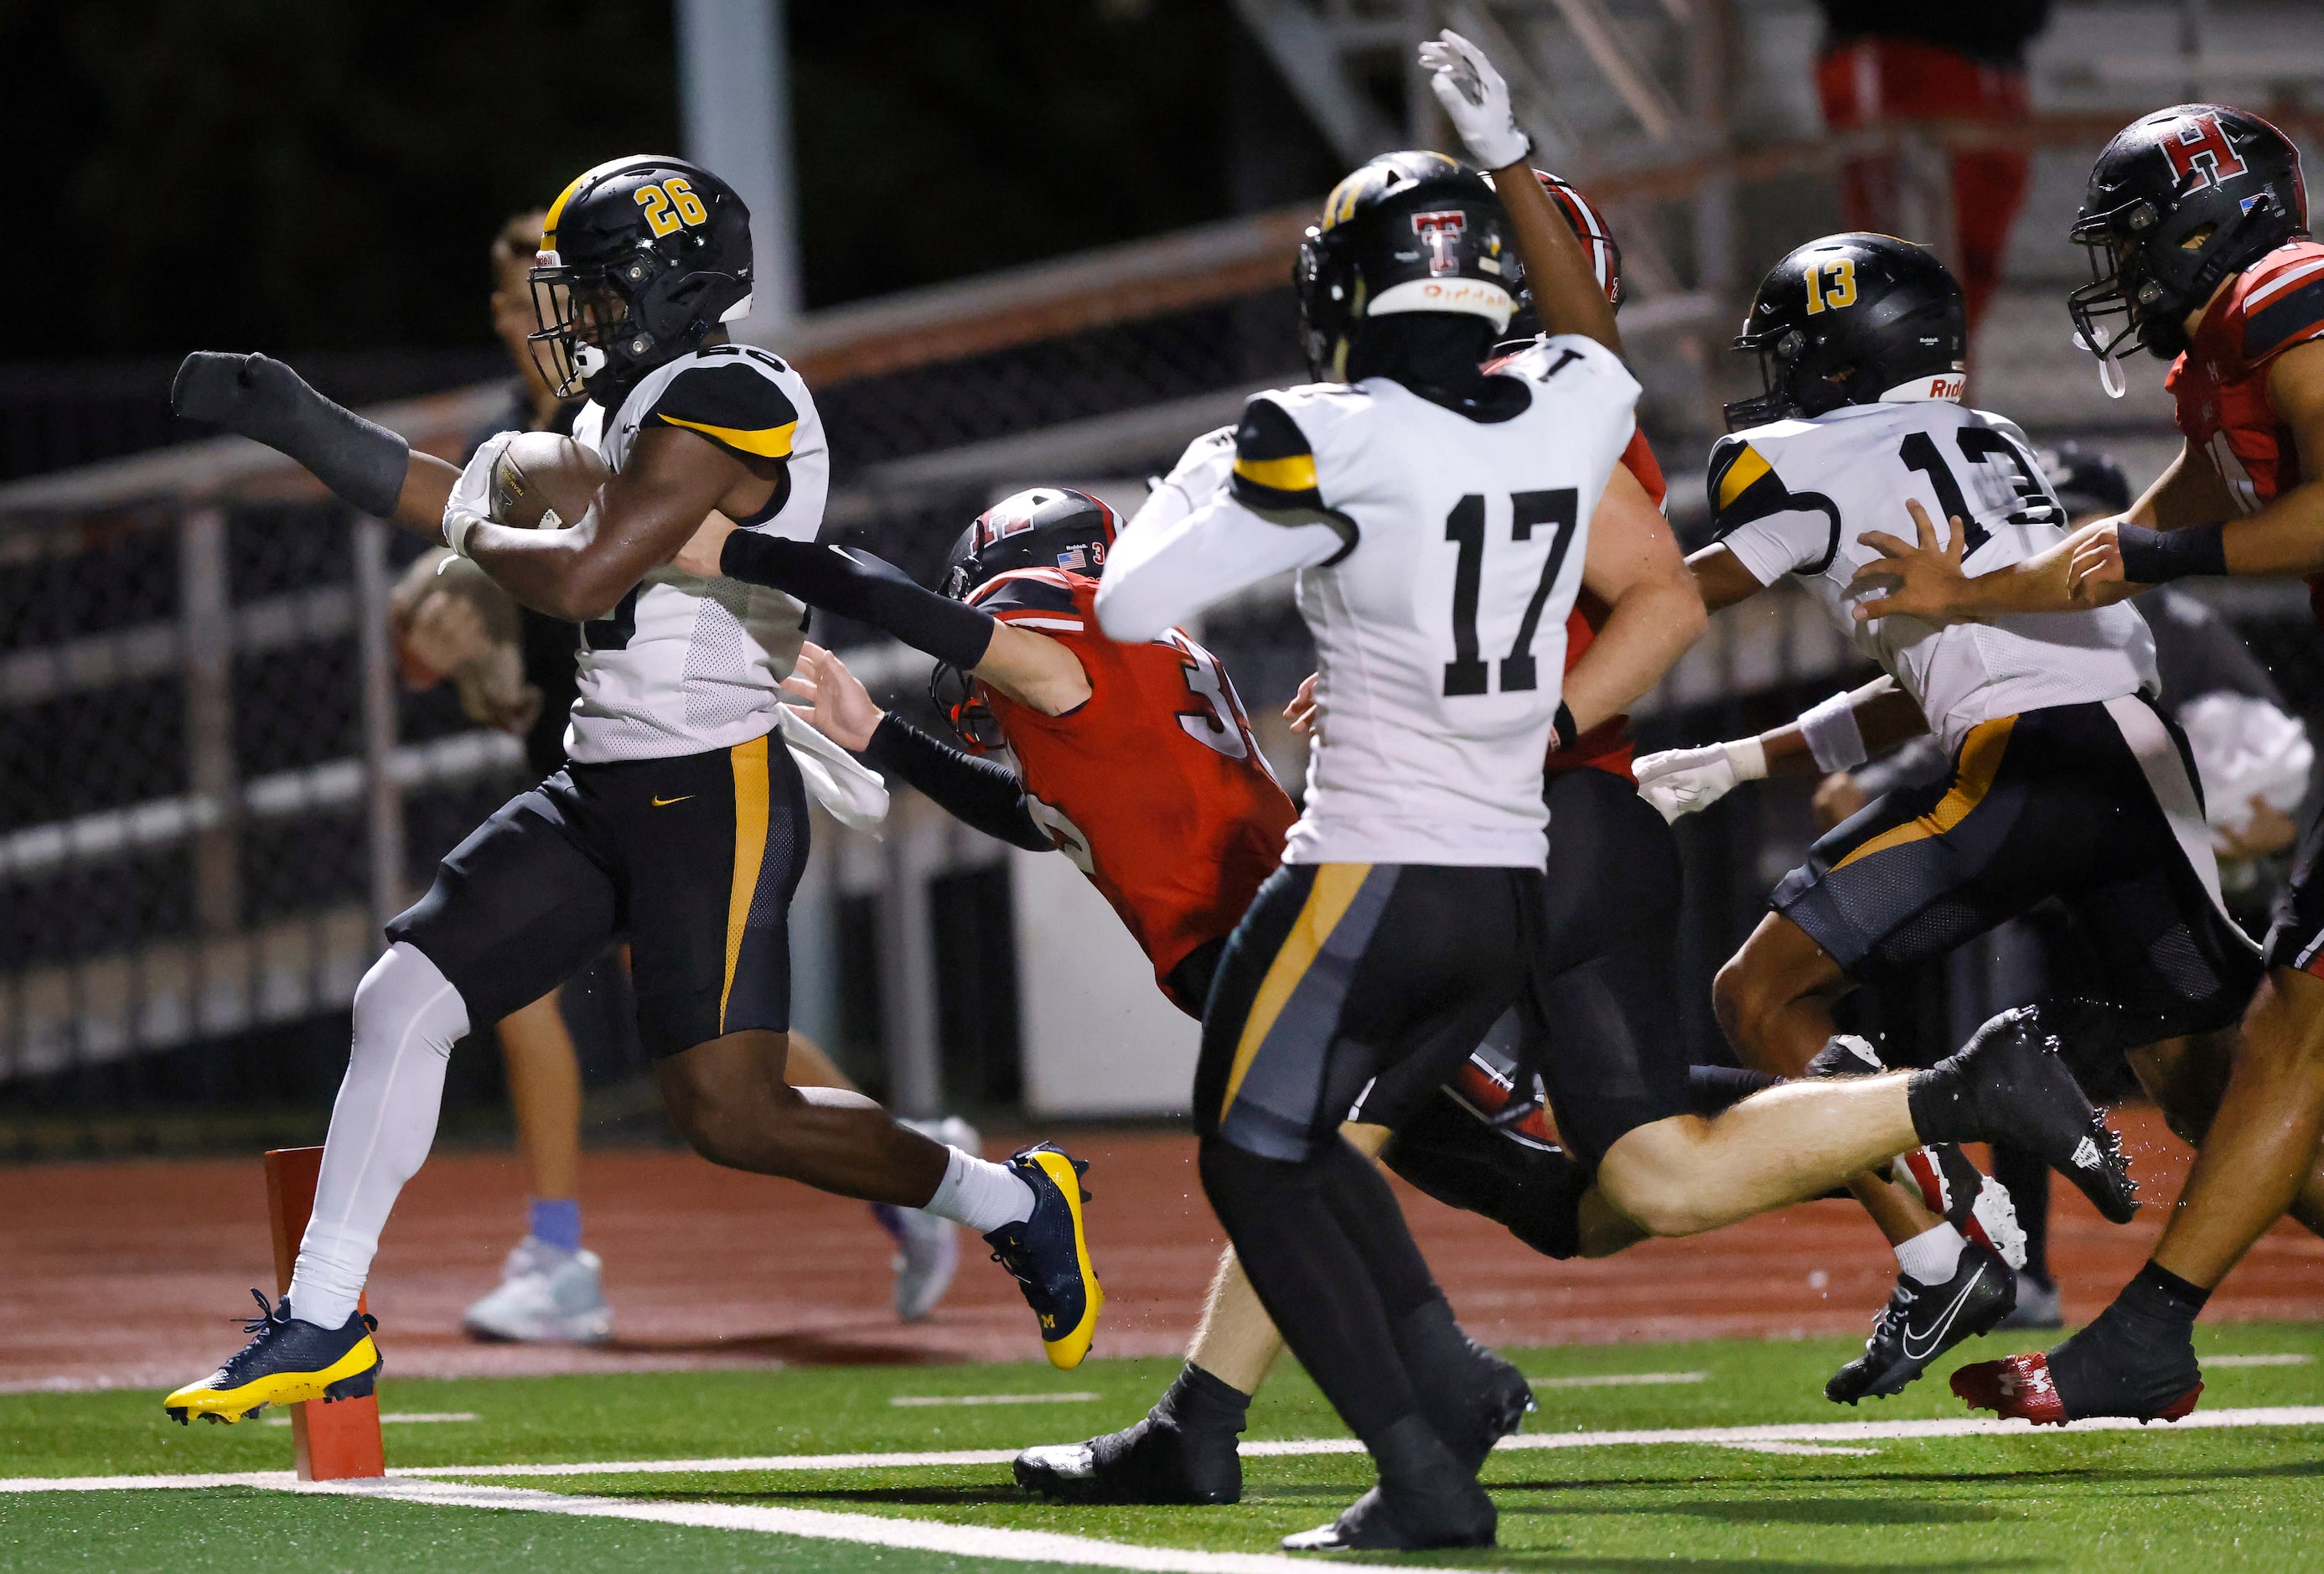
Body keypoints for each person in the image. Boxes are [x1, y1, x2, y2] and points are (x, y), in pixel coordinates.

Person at [1090, 131, 2128, 1550]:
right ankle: (1943, 1111)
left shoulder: (1500, 407)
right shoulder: (1551, 411)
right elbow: (1633, 558)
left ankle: (1272, 1423)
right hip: (1554, 822)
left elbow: (1147, 600)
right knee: (1623, 1183)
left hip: (1499, 822)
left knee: (1312, 1130)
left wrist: (1501, 710)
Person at [158, 154, 1100, 1426]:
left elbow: (583, 575)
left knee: (730, 1114)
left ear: (669, 287)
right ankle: (323, 1319)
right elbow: (458, 489)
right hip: (601, 781)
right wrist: (303, 419)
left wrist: (479, 538)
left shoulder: (730, 396)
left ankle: (1010, 1200)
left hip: (714, 789)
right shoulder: (632, 405)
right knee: (404, 997)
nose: (577, 317)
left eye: (599, 291)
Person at [1637, 226, 2280, 1419]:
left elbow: (1675, 595)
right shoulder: (1990, 443)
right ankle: (1970, 1230)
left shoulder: (1808, 452)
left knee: (1761, 994)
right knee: (2223, 1091)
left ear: (1839, 353)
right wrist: (1739, 759)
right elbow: (1937, 661)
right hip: (2139, 755)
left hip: (2027, 763)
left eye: (1793, 349)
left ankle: (1946, 1237)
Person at [1839, 105, 2324, 1424]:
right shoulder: (2227, 354)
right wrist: (1963, 590)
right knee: (2293, 1028)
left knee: (2294, 1028)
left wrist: (2158, 562)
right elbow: (2123, 540)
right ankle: (2148, 1339)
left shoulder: (2294, 294)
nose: (2120, 277)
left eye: (2133, 243)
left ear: (2207, 219)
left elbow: (2202, 541)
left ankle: (2145, 1338)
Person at [1810, 0, 2050, 334]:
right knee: (1901, 281)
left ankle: (1938, 376)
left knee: (1967, 276)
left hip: (1990, 61)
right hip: (1894, 51)